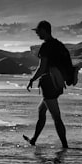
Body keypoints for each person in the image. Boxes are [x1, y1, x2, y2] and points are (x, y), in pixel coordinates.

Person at [24, 20, 71, 149]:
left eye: (38, 31)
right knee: (41, 110)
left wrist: (32, 79)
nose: (37, 34)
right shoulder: (59, 45)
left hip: (49, 84)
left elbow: (42, 67)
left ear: (45, 30)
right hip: (58, 83)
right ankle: (33, 139)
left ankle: (65, 146)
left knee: (56, 116)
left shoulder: (46, 46)